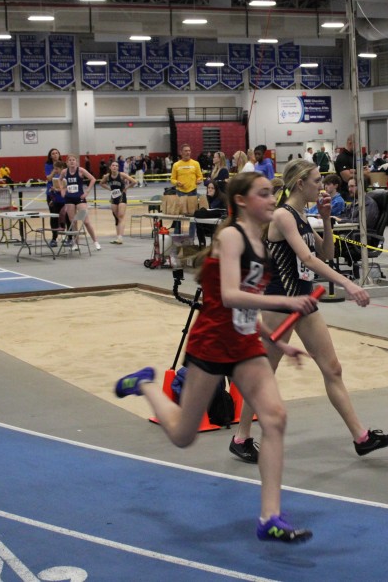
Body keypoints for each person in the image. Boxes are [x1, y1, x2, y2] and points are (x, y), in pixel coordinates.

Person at [115, 172, 317, 543]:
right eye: (263, 193)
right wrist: (286, 301)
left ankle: (270, 517)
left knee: (275, 418)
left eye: (272, 193)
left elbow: (244, 308)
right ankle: (146, 384)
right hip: (211, 343)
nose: (271, 199)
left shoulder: (260, 243)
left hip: (244, 344)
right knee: (182, 436)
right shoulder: (231, 237)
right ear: (241, 200)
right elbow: (228, 296)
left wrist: (275, 339)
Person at [231, 159, 388, 463]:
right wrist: (348, 283)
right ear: (300, 184)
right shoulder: (283, 216)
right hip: (281, 302)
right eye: (317, 181)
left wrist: (326, 219)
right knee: (265, 373)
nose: (322, 186)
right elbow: (308, 259)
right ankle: (241, 437)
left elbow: (327, 253)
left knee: (332, 368)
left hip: (305, 301)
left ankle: (361, 437)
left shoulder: (302, 216)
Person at [58, 155, 100, 250]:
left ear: (76, 162)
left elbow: (93, 179)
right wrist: (62, 189)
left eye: (73, 160)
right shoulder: (64, 171)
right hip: (69, 199)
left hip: (80, 198)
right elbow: (59, 180)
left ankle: (95, 241)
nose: (72, 161)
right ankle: (76, 243)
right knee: (73, 222)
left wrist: (87, 191)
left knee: (86, 221)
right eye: (70, 160)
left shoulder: (80, 170)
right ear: (67, 162)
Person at [101, 161, 137, 244]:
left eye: (116, 166)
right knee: (116, 218)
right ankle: (118, 237)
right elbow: (101, 183)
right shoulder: (107, 176)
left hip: (121, 196)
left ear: (118, 167)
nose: (115, 167)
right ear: (110, 167)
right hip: (114, 197)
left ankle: (120, 237)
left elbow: (134, 181)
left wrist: (126, 188)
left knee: (121, 216)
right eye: (113, 165)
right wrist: (109, 189)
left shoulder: (121, 175)